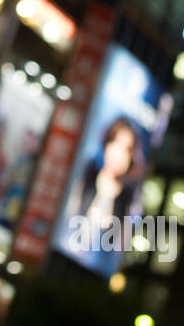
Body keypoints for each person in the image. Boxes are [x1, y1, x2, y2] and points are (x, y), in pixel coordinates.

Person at [59, 116, 143, 275]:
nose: (120, 154)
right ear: (106, 144)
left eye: (127, 149)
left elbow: (119, 249)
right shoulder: (87, 174)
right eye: (116, 144)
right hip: (63, 258)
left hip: (95, 273)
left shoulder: (128, 199)